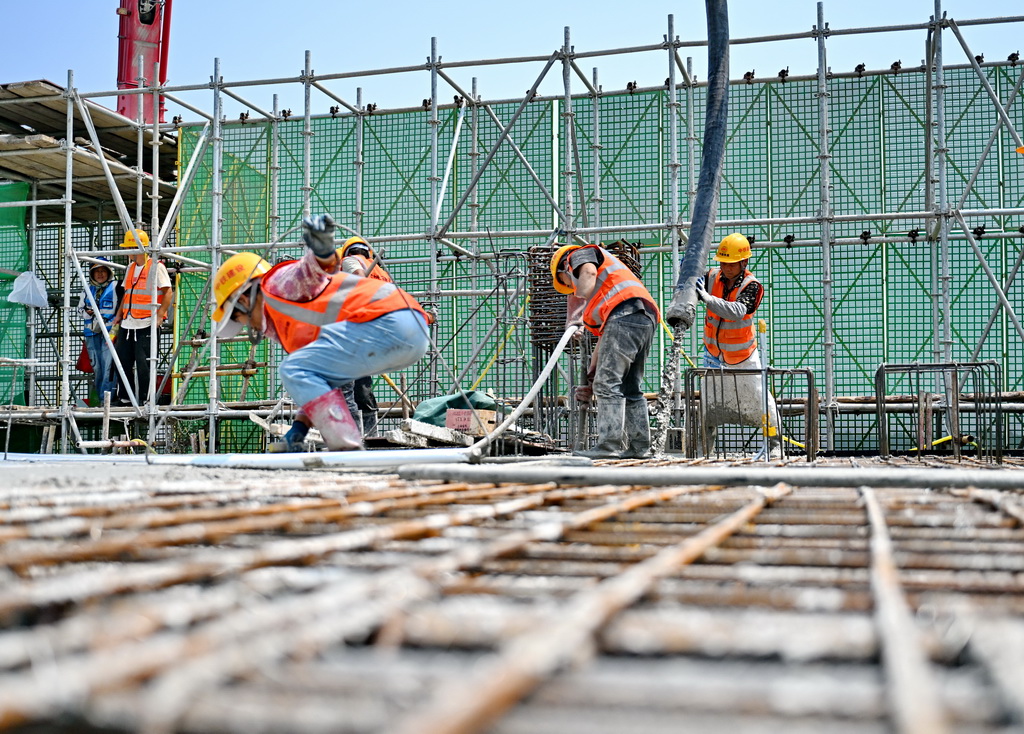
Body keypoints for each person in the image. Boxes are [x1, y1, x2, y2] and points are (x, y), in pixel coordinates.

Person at [211, 214, 430, 452]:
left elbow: (311, 270)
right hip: (411, 333)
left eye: (238, 318)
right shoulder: (290, 326)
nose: (246, 326)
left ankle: (345, 445)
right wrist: (299, 428)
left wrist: (322, 248)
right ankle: (344, 443)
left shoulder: (276, 285)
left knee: (291, 368)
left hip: (386, 322)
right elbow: (319, 384)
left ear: (244, 301)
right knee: (303, 370)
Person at [550, 242, 659, 459]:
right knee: (630, 387)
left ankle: (608, 446)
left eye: (565, 282)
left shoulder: (579, 255)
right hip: (643, 318)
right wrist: (593, 377)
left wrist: (577, 311)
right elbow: (604, 340)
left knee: (607, 383)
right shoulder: (608, 292)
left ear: (564, 268)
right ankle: (640, 448)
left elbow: (588, 273)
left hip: (625, 314)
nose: (570, 287)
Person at [695, 232, 781, 455]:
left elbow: (736, 311)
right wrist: (688, 269)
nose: (726, 267)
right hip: (713, 354)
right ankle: (704, 449)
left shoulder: (752, 286)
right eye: (723, 263)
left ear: (744, 262)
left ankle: (774, 445)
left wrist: (707, 298)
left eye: (731, 264)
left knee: (761, 399)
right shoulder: (711, 277)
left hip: (743, 356)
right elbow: (690, 282)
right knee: (708, 403)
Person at [111, 229, 173, 405]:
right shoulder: (130, 268)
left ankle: (147, 399)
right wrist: (119, 315)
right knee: (122, 361)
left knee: (144, 364)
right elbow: (127, 294)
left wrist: (160, 315)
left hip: (146, 322)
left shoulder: (156, 267)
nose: (126, 251)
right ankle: (125, 397)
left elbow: (168, 292)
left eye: (128, 248)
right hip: (128, 323)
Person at [337, 235, 391, 437]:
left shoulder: (351, 261)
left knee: (345, 387)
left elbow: (360, 279)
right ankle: (370, 433)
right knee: (362, 385)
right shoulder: (381, 272)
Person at [78, 258, 120, 403]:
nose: (100, 274)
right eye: (97, 271)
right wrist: (87, 312)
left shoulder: (116, 287)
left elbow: (120, 308)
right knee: (97, 367)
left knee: (109, 366)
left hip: (110, 333)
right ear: (92, 274)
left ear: (109, 272)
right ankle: (100, 398)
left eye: (103, 271)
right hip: (92, 334)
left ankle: (106, 400)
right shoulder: (87, 289)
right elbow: (79, 311)